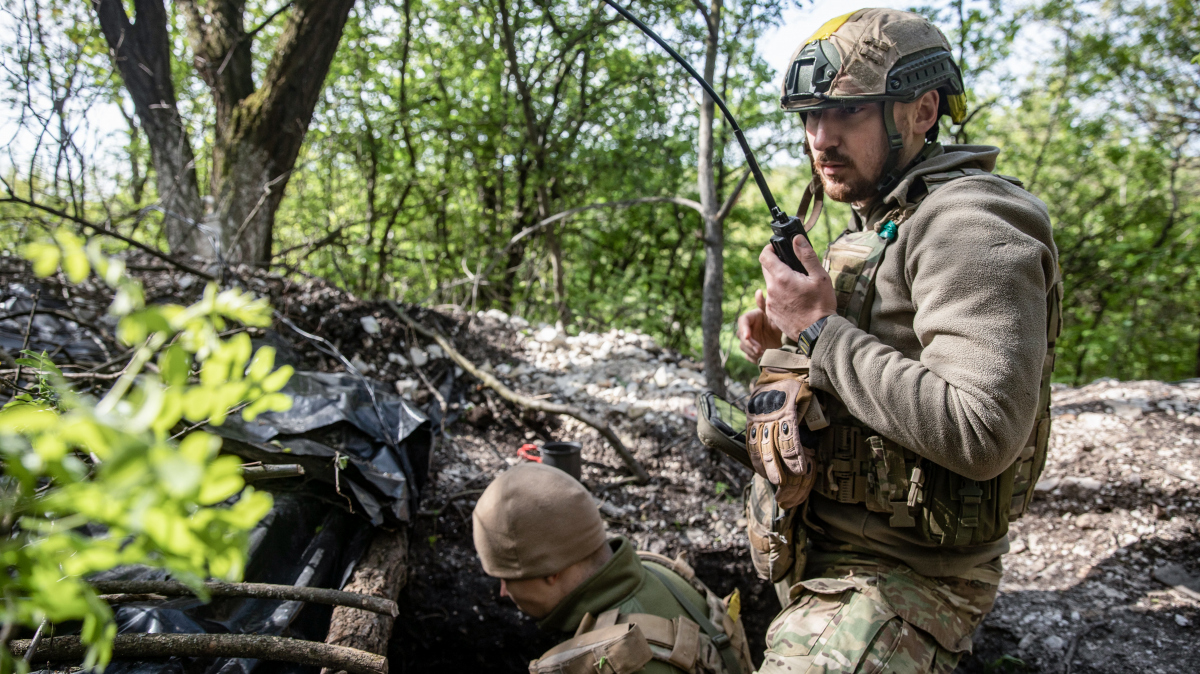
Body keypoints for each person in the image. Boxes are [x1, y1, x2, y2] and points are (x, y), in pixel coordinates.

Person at [733, 8, 1060, 673]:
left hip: (910, 577)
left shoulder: (971, 222)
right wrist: (787, 344)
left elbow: (982, 429)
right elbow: (879, 353)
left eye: (846, 114)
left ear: (921, 110)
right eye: (808, 116)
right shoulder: (885, 216)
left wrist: (820, 333)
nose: (819, 138)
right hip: (828, 559)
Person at [472, 462, 754, 674]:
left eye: (506, 578)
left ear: (551, 571)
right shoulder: (662, 571)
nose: (503, 591)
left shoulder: (608, 663)